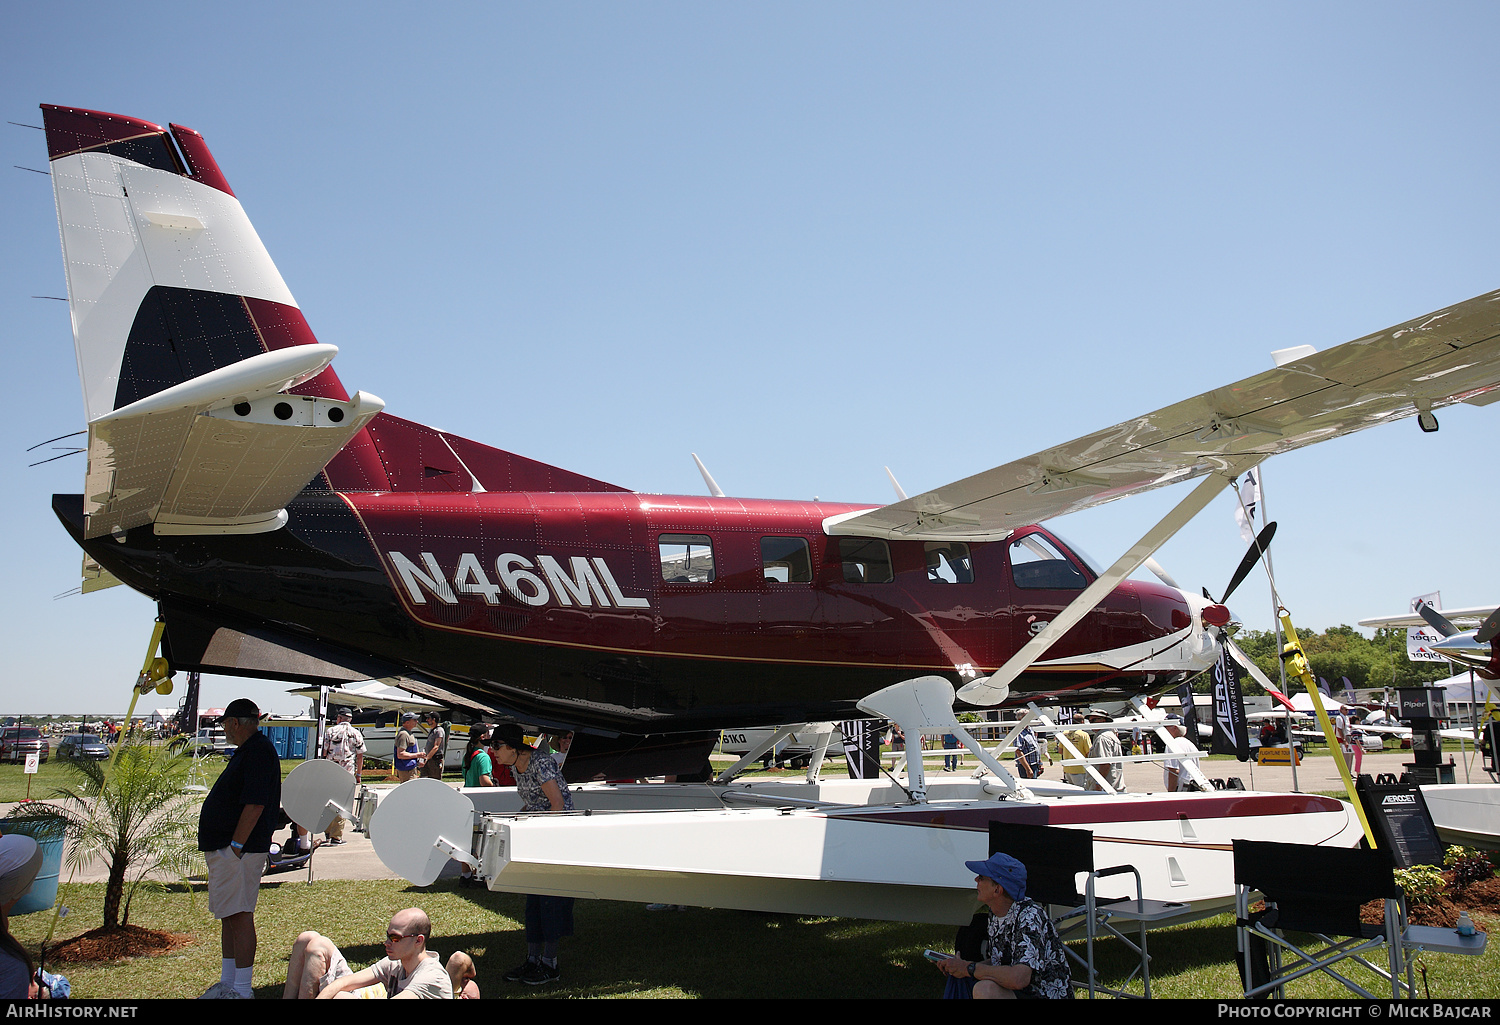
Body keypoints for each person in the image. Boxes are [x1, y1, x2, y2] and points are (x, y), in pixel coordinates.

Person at [198, 698, 281, 999]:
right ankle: (228, 983)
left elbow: (255, 803)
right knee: (229, 914)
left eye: (224, 724)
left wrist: (235, 846)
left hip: (240, 851)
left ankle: (242, 990)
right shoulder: (250, 750)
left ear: (234, 722)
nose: (224, 730)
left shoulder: (257, 751)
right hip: (233, 849)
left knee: (240, 914)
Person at [492, 724, 574, 985]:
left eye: (496, 746)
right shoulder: (516, 767)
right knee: (533, 901)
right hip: (536, 836)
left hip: (554, 837)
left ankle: (550, 965)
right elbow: (534, 802)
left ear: (513, 747)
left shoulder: (540, 762)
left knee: (550, 901)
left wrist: (544, 840)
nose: (492, 752)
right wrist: (517, 817)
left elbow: (557, 804)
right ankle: (532, 960)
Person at [937, 852, 1072, 999]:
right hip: (1023, 993)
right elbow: (999, 962)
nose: (976, 879)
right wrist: (960, 966)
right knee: (976, 983)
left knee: (985, 990)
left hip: (1042, 994)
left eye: (982, 877)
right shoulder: (996, 913)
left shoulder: (1029, 917)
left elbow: (1019, 978)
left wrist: (969, 968)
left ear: (997, 890)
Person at [308, 908, 453, 999]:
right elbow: (343, 983)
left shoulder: (432, 976)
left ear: (418, 941)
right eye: (387, 935)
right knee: (340, 996)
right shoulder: (395, 964)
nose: (386, 942)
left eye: (395, 938)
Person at [323, 709, 365, 845]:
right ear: (350, 720)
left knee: (328, 801)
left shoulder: (330, 731)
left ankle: (327, 832)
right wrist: (358, 774)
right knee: (343, 804)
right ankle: (337, 836)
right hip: (347, 773)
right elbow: (360, 756)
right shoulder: (356, 733)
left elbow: (324, 752)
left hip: (330, 772)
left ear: (339, 718)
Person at [1084, 710, 1124, 793]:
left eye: (1094, 720)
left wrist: (1099, 783)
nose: (1091, 723)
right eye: (1090, 721)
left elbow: (1105, 764)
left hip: (1106, 788)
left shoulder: (1102, 738)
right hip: (1113, 786)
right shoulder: (1109, 735)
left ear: (1103, 720)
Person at [394, 713, 422, 783]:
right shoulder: (403, 734)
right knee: (409, 790)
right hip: (406, 770)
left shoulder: (409, 733)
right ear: (407, 722)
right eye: (414, 720)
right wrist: (417, 755)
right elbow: (400, 754)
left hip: (411, 768)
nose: (417, 722)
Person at [420, 712, 447, 780]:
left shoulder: (439, 731)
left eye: (428, 718)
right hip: (428, 759)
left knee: (435, 780)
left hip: (435, 760)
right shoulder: (432, 730)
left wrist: (427, 758)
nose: (427, 720)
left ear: (434, 720)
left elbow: (436, 746)